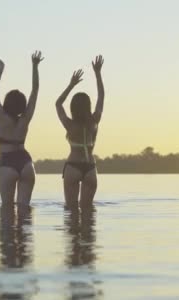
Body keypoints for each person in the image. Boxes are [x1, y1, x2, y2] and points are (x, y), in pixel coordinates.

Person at [0, 51, 43, 206]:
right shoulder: (25, 119)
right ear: (22, 105)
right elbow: (35, 89)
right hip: (26, 163)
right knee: (24, 212)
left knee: (6, 211)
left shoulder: (1, 117)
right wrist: (35, 66)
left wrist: (1, 67)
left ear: (7, 103)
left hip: (7, 164)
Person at [56, 55, 104, 208]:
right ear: (88, 106)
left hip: (73, 167)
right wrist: (98, 73)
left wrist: (71, 85)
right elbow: (102, 97)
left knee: (71, 210)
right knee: (88, 212)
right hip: (90, 168)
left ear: (73, 107)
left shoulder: (70, 125)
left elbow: (58, 104)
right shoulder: (94, 121)